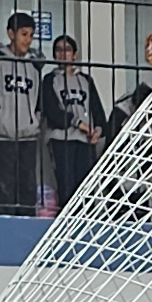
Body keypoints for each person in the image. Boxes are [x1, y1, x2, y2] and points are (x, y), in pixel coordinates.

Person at [0, 13, 49, 215]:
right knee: (5, 184)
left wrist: (35, 118)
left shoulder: (35, 65)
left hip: (28, 134)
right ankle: (4, 226)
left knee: (28, 185)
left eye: (30, 35)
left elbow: (39, 98)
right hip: (4, 133)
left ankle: (26, 226)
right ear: (11, 34)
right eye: (23, 34)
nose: (27, 40)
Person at [45, 36, 110, 209]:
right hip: (61, 139)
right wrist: (78, 123)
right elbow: (52, 111)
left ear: (75, 54)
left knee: (85, 184)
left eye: (66, 50)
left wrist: (98, 130)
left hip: (85, 141)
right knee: (66, 184)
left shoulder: (86, 80)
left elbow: (97, 109)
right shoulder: (49, 79)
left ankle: (84, 218)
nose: (62, 54)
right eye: (58, 50)